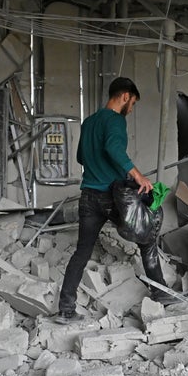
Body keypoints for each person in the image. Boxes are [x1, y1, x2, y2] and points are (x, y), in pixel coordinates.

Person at [55, 77, 167, 324]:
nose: (131, 109)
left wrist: (99, 166)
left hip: (88, 197)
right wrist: (138, 176)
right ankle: (161, 293)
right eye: (133, 103)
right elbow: (114, 149)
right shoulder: (115, 121)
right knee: (147, 236)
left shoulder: (89, 122)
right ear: (125, 96)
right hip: (112, 197)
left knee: (81, 253)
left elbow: (81, 157)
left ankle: (65, 309)